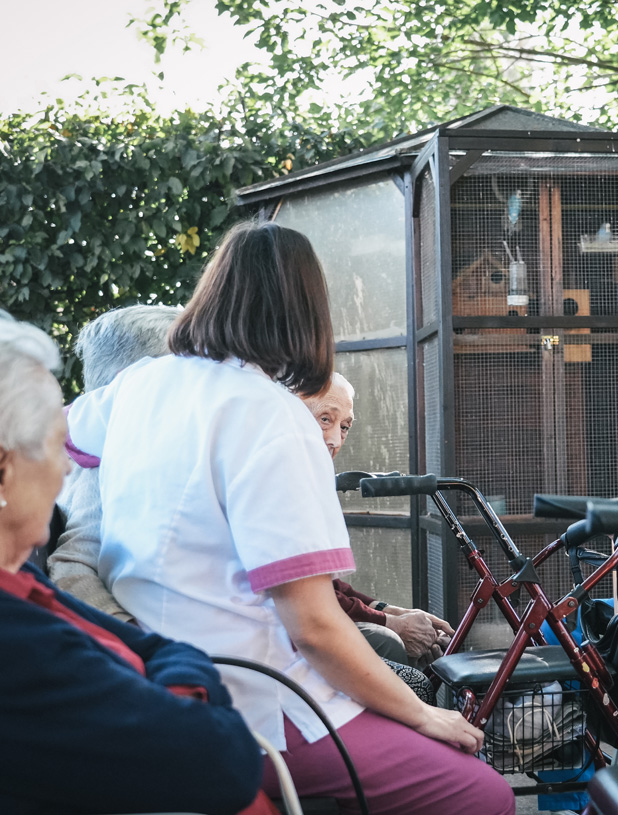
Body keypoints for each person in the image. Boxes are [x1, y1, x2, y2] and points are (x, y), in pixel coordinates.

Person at [65, 219, 515, 815]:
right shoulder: (273, 419)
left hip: (159, 674)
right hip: (255, 700)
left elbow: (52, 438)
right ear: (308, 314)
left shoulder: (138, 385)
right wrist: (424, 715)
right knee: (479, 793)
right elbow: (313, 626)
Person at [0, 314, 267, 815]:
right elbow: (223, 762)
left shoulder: (20, 580)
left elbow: (164, 649)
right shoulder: (15, 637)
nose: (65, 466)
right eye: (57, 447)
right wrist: (158, 679)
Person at [302, 372, 453, 668]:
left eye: (344, 427)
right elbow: (312, 599)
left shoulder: (311, 482)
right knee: (389, 642)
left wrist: (391, 611)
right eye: (324, 420)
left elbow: (330, 586)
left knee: (423, 640)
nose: (334, 439)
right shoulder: (285, 486)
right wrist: (392, 624)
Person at [49, 304, 180, 620]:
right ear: (132, 382)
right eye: (181, 372)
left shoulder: (92, 436)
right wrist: (132, 638)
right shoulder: (98, 458)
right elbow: (72, 567)